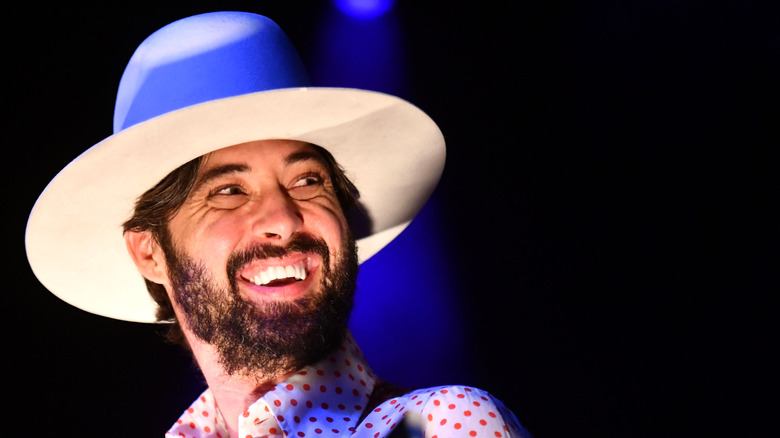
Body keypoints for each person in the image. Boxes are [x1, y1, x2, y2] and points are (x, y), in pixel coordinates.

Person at [26, 11, 531, 438]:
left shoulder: (443, 424)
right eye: (229, 191)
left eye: (308, 181)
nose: (284, 220)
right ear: (150, 252)